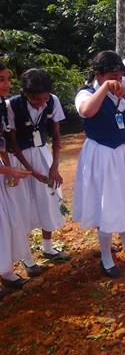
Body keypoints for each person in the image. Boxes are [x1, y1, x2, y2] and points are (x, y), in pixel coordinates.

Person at [73, 51, 125, 278]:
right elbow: (87, 111)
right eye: (112, 76)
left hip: (122, 154)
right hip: (101, 154)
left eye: (120, 76)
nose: (118, 80)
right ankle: (106, 256)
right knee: (106, 204)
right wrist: (105, 88)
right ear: (99, 75)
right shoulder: (86, 93)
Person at [6, 68, 69, 268]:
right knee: (21, 204)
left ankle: (48, 246)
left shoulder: (53, 101)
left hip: (42, 152)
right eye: (35, 99)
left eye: (44, 98)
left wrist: (54, 166)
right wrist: (32, 172)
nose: (41, 103)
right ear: (25, 94)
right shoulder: (11, 105)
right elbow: (12, 143)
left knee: (49, 198)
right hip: (18, 158)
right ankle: (26, 257)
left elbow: (57, 135)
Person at [0, 62, 33, 296]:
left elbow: (2, 143)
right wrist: (7, 171)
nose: (7, 84)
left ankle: (6, 270)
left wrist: (8, 167)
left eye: (7, 79)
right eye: (1, 79)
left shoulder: (2, 106)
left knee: (7, 221)